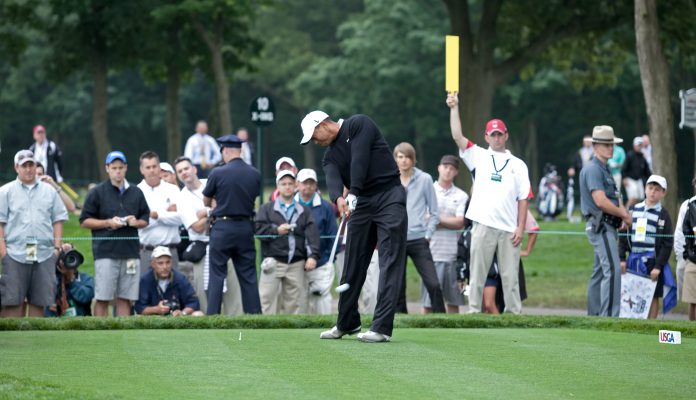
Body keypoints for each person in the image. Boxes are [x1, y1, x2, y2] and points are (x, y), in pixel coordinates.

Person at [302, 109, 407, 343]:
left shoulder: (358, 125)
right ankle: (347, 322)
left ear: (322, 125)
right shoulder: (329, 156)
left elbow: (360, 159)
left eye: (314, 136)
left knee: (389, 260)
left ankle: (381, 327)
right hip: (361, 202)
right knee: (353, 262)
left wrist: (354, 192)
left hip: (389, 195)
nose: (315, 142)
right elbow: (332, 178)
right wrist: (338, 198)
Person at [446, 92, 530, 315]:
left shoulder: (518, 164)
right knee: (477, 273)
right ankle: (473, 311)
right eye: (492, 134)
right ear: (486, 136)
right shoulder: (478, 155)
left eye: (499, 134)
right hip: (482, 224)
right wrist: (454, 107)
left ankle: (514, 313)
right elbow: (457, 136)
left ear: (506, 135)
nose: (496, 138)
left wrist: (521, 227)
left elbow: (523, 198)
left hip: (509, 228)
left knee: (510, 276)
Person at [80, 150, 150, 317]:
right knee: (103, 298)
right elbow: (84, 221)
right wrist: (108, 223)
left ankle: (123, 336)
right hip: (106, 252)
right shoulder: (97, 192)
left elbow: (145, 219)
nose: (117, 171)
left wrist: (135, 222)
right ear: (107, 168)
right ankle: (100, 335)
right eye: (114, 167)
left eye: (120, 167)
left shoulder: (136, 192)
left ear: (126, 168)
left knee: (125, 298)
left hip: (131, 252)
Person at [0, 150, 68, 317]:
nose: (29, 169)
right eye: (24, 166)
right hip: (14, 255)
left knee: (39, 303)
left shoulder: (49, 191)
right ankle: (15, 342)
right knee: (12, 304)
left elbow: (58, 219)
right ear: (17, 168)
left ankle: (35, 342)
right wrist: (3, 253)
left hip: (44, 255)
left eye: (31, 165)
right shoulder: (5, 192)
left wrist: (57, 249)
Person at [174, 156, 243, 315]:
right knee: (204, 298)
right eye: (180, 171)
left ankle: (237, 332)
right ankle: (209, 333)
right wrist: (214, 212)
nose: (184, 173)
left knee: (233, 294)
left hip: (226, 245)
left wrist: (204, 213)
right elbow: (197, 227)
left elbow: (229, 206)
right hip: (203, 249)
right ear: (178, 175)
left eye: (186, 168)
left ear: (194, 169)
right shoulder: (181, 199)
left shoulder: (211, 183)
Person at [203, 134, 262, 315]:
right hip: (245, 227)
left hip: (222, 227)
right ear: (240, 150)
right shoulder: (255, 173)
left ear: (225, 151)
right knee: (248, 276)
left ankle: (213, 316)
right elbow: (253, 197)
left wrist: (217, 202)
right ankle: (254, 316)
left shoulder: (217, 172)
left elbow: (206, 200)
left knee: (217, 275)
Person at [579, 126, 632, 317]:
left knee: (600, 272)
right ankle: (609, 316)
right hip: (600, 225)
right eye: (606, 144)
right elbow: (600, 201)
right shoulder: (594, 169)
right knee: (612, 268)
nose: (610, 148)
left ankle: (594, 317)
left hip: (607, 225)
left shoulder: (604, 169)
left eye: (611, 144)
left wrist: (620, 215)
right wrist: (624, 215)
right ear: (595, 146)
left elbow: (613, 198)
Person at [256, 170, 320, 314]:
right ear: (277, 187)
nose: (287, 187)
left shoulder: (304, 210)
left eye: (290, 183)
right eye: (283, 184)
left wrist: (313, 256)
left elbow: (312, 235)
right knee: (266, 301)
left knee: (294, 304)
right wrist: (276, 231)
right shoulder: (266, 209)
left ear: (296, 186)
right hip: (272, 261)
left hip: (296, 263)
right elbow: (258, 231)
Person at [392, 142, 445, 314]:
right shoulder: (390, 180)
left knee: (433, 283)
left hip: (419, 239)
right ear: (395, 159)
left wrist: (428, 235)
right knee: (398, 286)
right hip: (396, 239)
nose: (404, 161)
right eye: (400, 157)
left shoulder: (425, 179)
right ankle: (401, 321)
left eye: (408, 157)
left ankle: (443, 320)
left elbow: (434, 212)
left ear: (413, 159)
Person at [619, 175, 676, 319]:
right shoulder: (632, 210)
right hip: (633, 259)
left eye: (657, 190)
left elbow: (667, 243)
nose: (653, 192)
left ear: (663, 193)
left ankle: (650, 325)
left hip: (652, 260)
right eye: (650, 188)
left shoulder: (663, 215)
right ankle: (633, 325)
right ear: (645, 189)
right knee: (631, 294)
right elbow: (623, 235)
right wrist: (622, 258)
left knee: (652, 295)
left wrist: (658, 266)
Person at [423, 155, 468, 314]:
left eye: (452, 168)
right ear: (439, 168)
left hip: (454, 255)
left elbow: (460, 222)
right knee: (428, 303)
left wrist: (436, 218)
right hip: (430, 254)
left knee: (454, 302)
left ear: (456, 172)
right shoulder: (428, 190)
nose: (448, 171)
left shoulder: (462, 195)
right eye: (445, 167)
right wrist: (446, 220)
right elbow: (424, 218)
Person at [294, 168, 338, 314]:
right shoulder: (289, 204)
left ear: (316, 185)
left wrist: (327, 259)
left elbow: (333, 236)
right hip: (296, 263)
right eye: (304, 183)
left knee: (322, 302)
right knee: (299, 303)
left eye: (311, 183)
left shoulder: (325, 207)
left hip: (321, 263)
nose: (308, 186)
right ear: (297, 184)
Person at [482, 210, 539, 314]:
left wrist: (526, 251)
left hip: (509, 259)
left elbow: (534, 229)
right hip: (490, 260)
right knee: (489, 302)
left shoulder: (516, 206)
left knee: (509, 299)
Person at [137, 151, 181, 273]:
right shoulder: (136, 192)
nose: (152, 170)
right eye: (148, 167)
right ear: (142, 169)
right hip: (146, 252)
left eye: (154, 166)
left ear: (159, 168)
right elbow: (139, 224)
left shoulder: (173, 190)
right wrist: (167, 215)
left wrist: (156, 215)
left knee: (173, 291)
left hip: (170, 250)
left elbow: (181, 218)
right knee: (145, 291)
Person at [134, 246, 203, 316]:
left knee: (198, 314)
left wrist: (183, 313)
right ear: (153, 264)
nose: (165, 267)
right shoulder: (145, 280)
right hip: (153, 317)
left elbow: (193, 303)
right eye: (160, 263)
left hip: (177, 318)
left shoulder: (180, 278)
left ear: (171, 263)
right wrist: (156, 309)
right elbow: (139, 307)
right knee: (138, 317)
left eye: (168, 262)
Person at [45, 243, 94, 317]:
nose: (69, 261)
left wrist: (71, 279)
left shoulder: (85, 279)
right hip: (55, 325)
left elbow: (85, 297)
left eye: (72, 258)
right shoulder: (50, 279)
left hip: (80, 324)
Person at [674, 177, 696, 303]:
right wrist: (682, 257)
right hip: (690, 258)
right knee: (690, 300)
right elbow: (679, 234)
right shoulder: (688, 205)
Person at [622, 136, 652, 210]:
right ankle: (624, 214)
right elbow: (624, 168)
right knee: (633, 198)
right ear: (634, 145)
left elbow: (647, 171)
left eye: (641, 145)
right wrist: (624, 178)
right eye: (638, 145)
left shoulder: (642, 157)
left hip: (639, 181)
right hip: (630, 180)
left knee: (639, 199)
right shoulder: (630, 155)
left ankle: (634, 215)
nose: (639, 146)